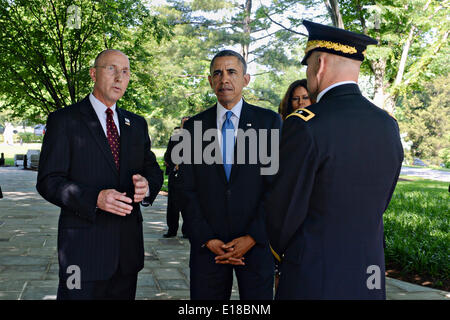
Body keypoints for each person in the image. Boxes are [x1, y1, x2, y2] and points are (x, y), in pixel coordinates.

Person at [265, 20, 404, 299]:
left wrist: (279, 259)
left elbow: (283, 211)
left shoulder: (305, 124)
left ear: (320, 64)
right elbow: (381, 200)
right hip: (369, 274)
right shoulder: (387, 125)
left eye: (307, 66)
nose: (307, 73)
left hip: (315, 274)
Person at [36, 49, 163, 300]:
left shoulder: (136, 124)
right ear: (94, 73)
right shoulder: (64, 120)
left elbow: (152, 168)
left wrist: (147, 186)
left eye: (125, 72)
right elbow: (48, 181)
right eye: (111, 69)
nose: (119, 78)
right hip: (81, 254)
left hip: (126, 256)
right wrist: (95, 198)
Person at [180, 50, 281, 300]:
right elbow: (185, 188)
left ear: (246, 79)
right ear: (210, 80)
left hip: (255, 246)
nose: (224, 79)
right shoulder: (193, 127)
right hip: (209, 248)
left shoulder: (269, 122)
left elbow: (277, 187)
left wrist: (253, 236)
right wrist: (206, 238)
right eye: (218, 73)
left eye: (232, 72)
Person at [163, 116, 190, 238]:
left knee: (187, 204)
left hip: (189, 175)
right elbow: (168, 153)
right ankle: (171, 230)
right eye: (184, 123)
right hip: (175, 174)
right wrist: (174, 164)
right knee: (172, 205)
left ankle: (187, 231)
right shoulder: (175, 135)